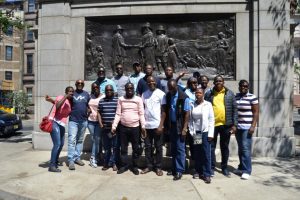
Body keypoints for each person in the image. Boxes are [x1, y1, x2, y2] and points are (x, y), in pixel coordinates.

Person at [204, 75, 237, 177]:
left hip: (226, 125)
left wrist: (234, 125)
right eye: (216, 81)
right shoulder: (209, 94)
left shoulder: (230, 94)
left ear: (223, 82)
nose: (218, 82)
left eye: (220, 81)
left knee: (224, 147)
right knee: (211, 147)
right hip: (212, 125)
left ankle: (224, 167)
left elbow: (234, 110)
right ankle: (212, 167)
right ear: (214, 83)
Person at [111, 82, 146, 175]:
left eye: (131, 88)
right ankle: (124, 165)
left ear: (133, 89)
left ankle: (134, 166)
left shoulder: (138, 99)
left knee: (136, 148)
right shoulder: (121, 99)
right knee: (123, 149)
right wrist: (114, 126)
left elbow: (141, 114)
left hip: (135, 128)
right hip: (123, 128)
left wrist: (143, 126)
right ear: (125, 90)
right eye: (128, 89)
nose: (129, 90)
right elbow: (118, 113)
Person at [141, 76, 166, 176]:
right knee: (147, 147)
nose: (151, 83)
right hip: (147, 126)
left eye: (153, 81)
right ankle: (149, 165)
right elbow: (142, 110)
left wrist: (161, 125)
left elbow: (164, 111)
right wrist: (142, 126)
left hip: (157, 126)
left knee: (158, 147)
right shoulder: (144, 94)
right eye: (149, 81)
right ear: (147, 83)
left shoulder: (161, 94)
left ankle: (158, 167)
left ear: (156, 82)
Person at [165, 79, 190, 180]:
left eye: (173, 89)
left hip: (180, 126)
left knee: (180, 149)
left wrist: (184, 128)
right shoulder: (168, 95)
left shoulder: (184, 97)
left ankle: (179, 170)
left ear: (177, 86)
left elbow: (187, 114)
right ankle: (174, 168)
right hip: (172, 126)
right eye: (169, 89)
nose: (171, 91)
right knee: (174, 148)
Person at [189, 88, 214, 183]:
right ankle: (198, 171)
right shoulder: (192, 104)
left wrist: (211, 133)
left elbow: (211, 119)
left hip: (205, 132)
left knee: (206, 153)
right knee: (198, 152)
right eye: (196, 93)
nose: (198, 94)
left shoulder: (208, 104)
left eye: (200, 93)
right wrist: (192, 131)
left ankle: (207, 173)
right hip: (197, 132)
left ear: (203, 94)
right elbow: (191, 119)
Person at [45, 86, 74, 172]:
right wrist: (65, 96)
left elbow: (56, 104)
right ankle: (52, 165)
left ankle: (55, 161)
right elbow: (57, 106)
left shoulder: (70, 101)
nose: (71, 93)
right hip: (54, 122)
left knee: (61, 144)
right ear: (65, 92)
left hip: (61, 124)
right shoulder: (61, 97)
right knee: (57, 144)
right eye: (69, 91)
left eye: (72, 92)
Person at [234, 80, 259, 180]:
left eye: (245, 86)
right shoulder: (236, 97)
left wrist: (253, 126)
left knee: (245, 149)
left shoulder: (252, 97)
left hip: (247, 127)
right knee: (241, 148)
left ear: (248, 87)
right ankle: (241, 167)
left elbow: (256, 112)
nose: (243, 87)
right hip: (238, 127)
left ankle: (247, 170)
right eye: (241, 86)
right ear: (239, 87)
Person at [67, 80, 90, 170]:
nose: (80, 84)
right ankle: (70, 160)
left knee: (80, 140)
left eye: (81, 83)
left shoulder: (86, 94)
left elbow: (88, 105)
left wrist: (88, 111)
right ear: (76, 85)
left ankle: (77, 158)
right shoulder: (72, 94)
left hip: (83, 121)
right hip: (73, 120)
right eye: (78, 83)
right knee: (72, 140)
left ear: (83, 85)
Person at [98, 85, 119, 171]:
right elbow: (99, 112)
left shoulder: (117, 101)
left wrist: (115, 124)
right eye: (107, 90)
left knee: (115, 147)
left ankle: (114, 163)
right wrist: (100, 123)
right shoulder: (101, 101)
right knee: (106, 147)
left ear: (113, 91)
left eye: (110, 90)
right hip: (105, 128)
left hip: (114, 128)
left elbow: (119, 113)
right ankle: (106, 163)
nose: (109, 91)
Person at [87, 83, 104, 168]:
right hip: (90, 121)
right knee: (95, 139)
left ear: (99, 88)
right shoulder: (89, 96)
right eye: (93, 87)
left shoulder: (103, 96)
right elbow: (86, 104)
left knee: (96, 139)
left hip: (99, 122)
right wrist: (87, 109)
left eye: (97, 87)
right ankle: (96, 156)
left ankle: (93, 157)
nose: (95, 88)